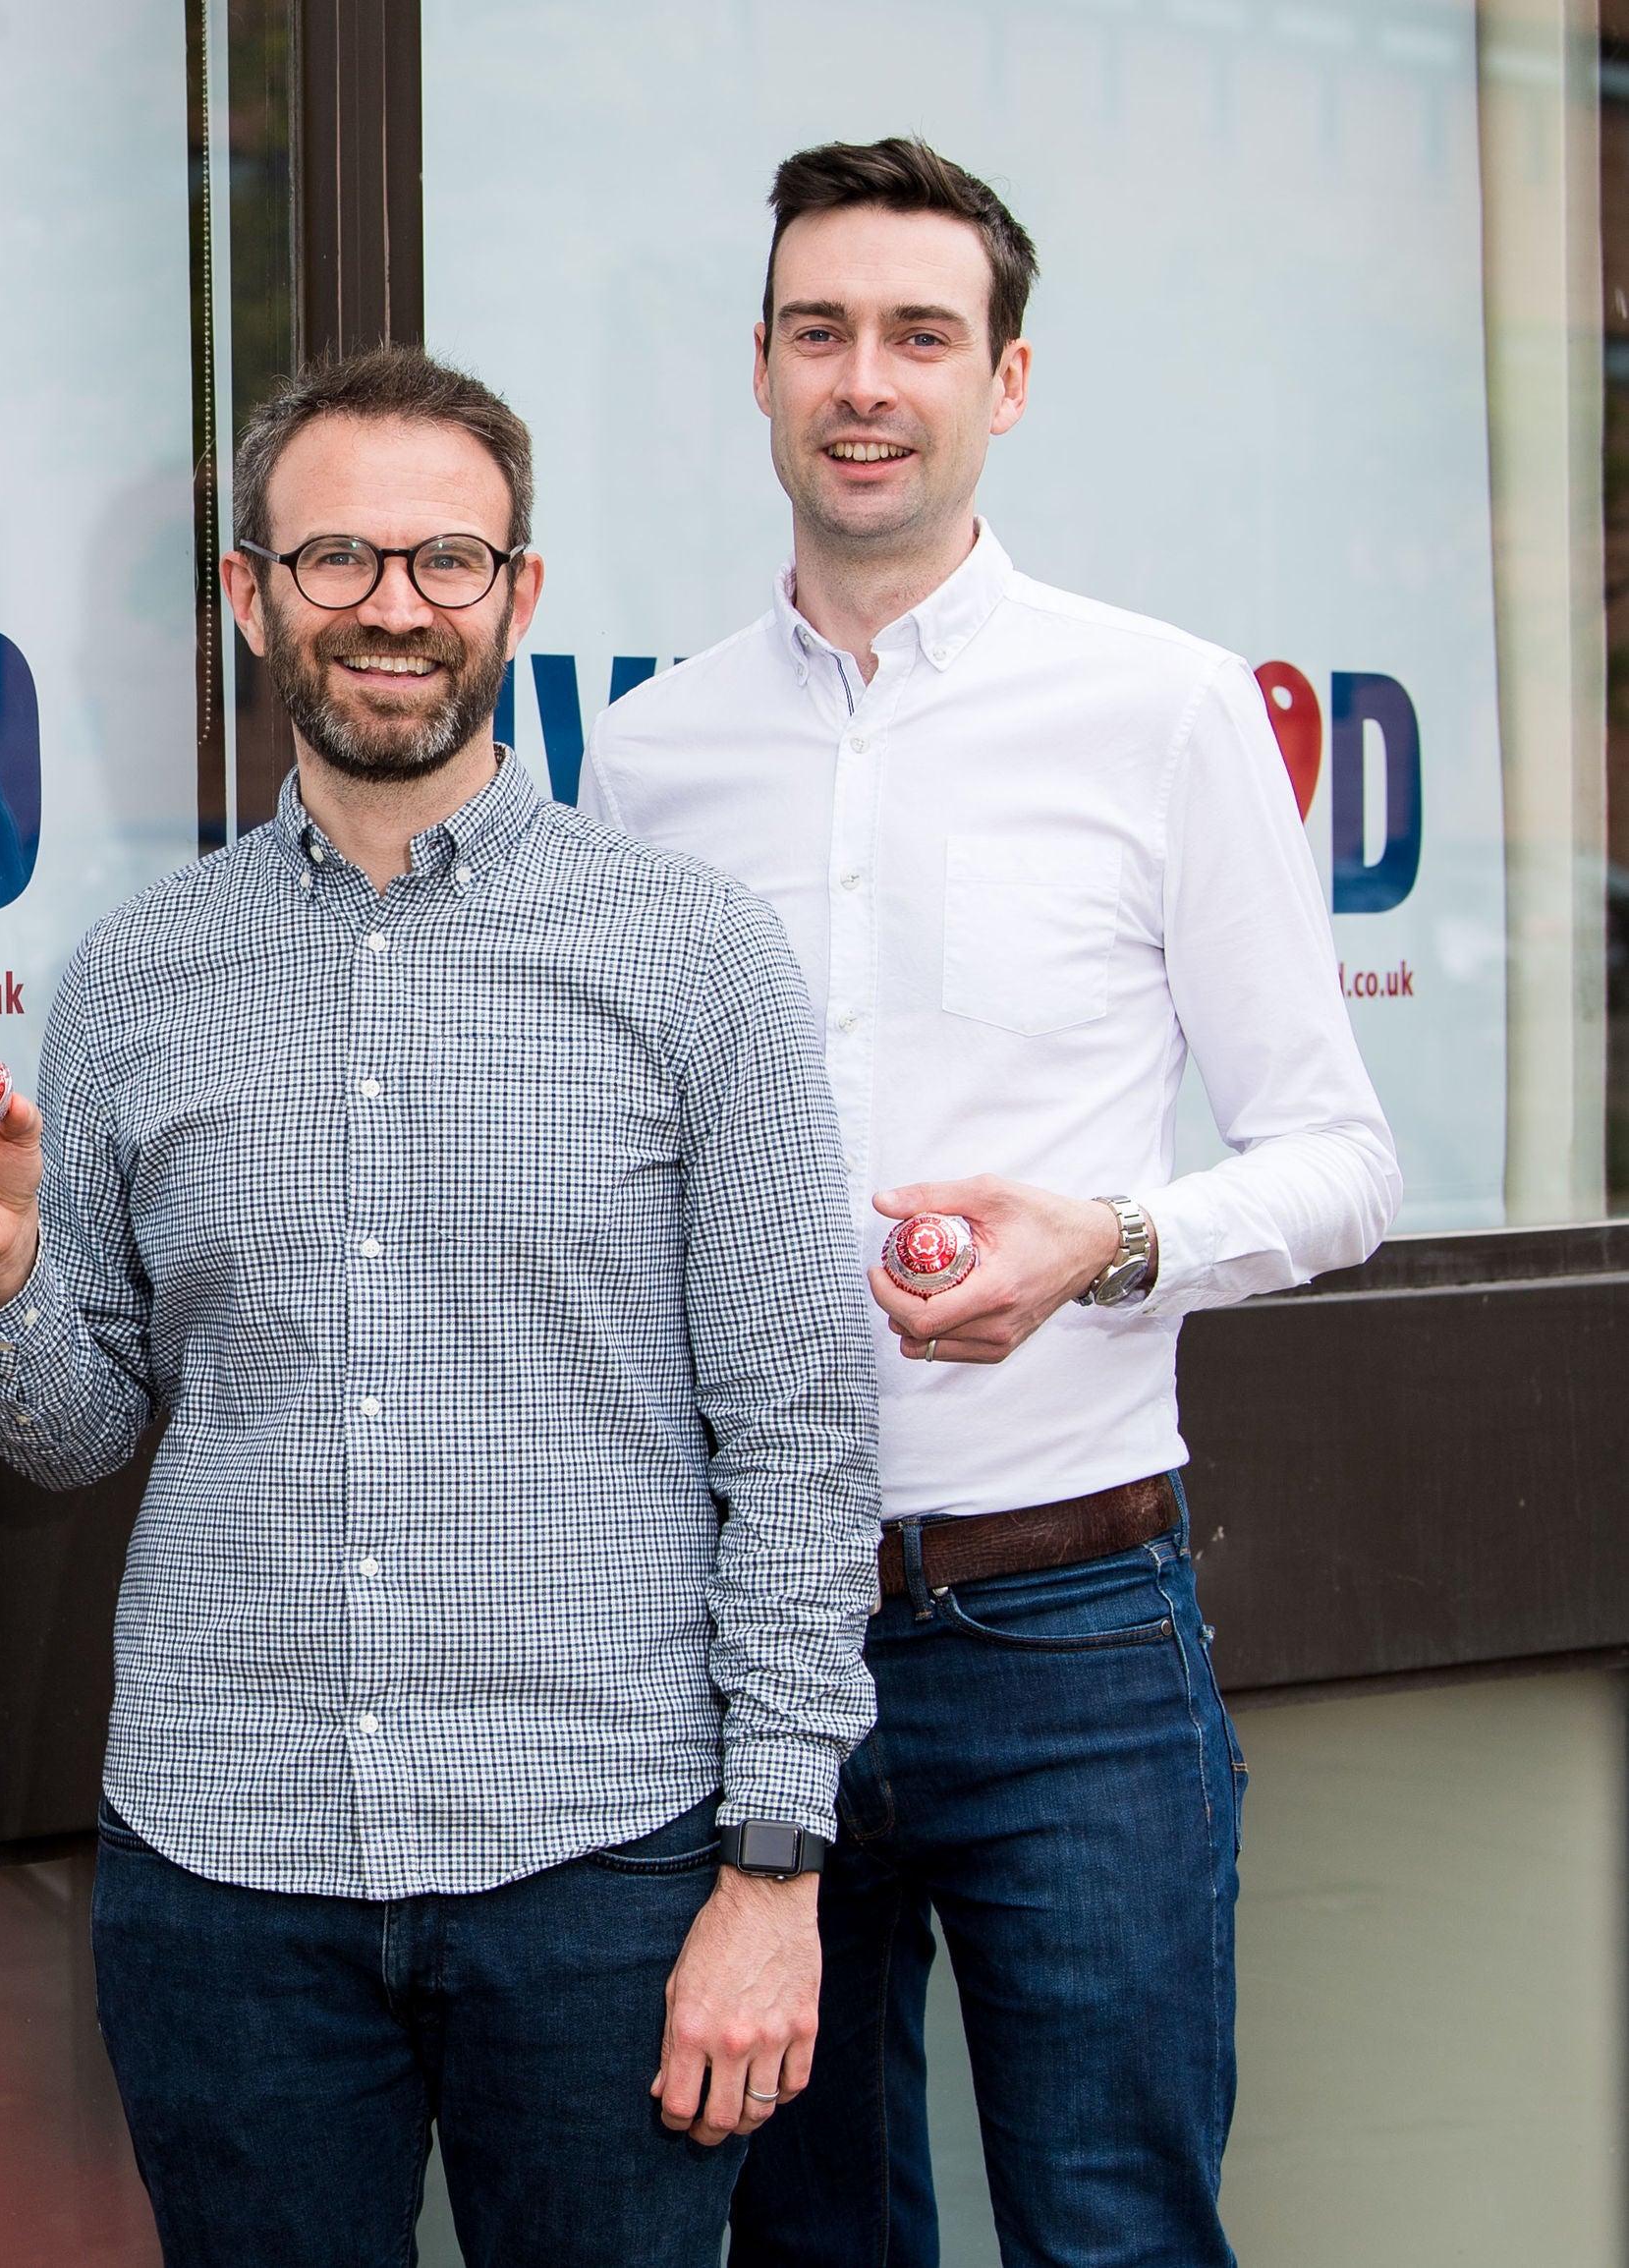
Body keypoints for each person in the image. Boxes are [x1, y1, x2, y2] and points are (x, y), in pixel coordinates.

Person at [0, 344, 882, 2268]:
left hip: (606, 1865)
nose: (392, 605)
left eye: (444, 560)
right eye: (335, 557)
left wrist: (773, 1865)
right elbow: (75, 1426)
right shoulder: (134, 979)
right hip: (228, 1877)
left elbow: (805, 1446)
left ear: (520, 596)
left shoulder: (691, 960)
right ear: (250, 596)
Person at [581, 140, 1402, 2267]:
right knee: (804, 2242)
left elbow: (1340, 1156)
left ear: (1005, 380)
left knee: (1114, 2230)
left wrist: (1105, 1242)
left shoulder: (1161, 708)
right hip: (748, 1642)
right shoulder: (651, 758)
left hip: (1075, 1635)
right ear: (756, 369)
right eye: (823, 330)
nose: (869, 380)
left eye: (920, 335)